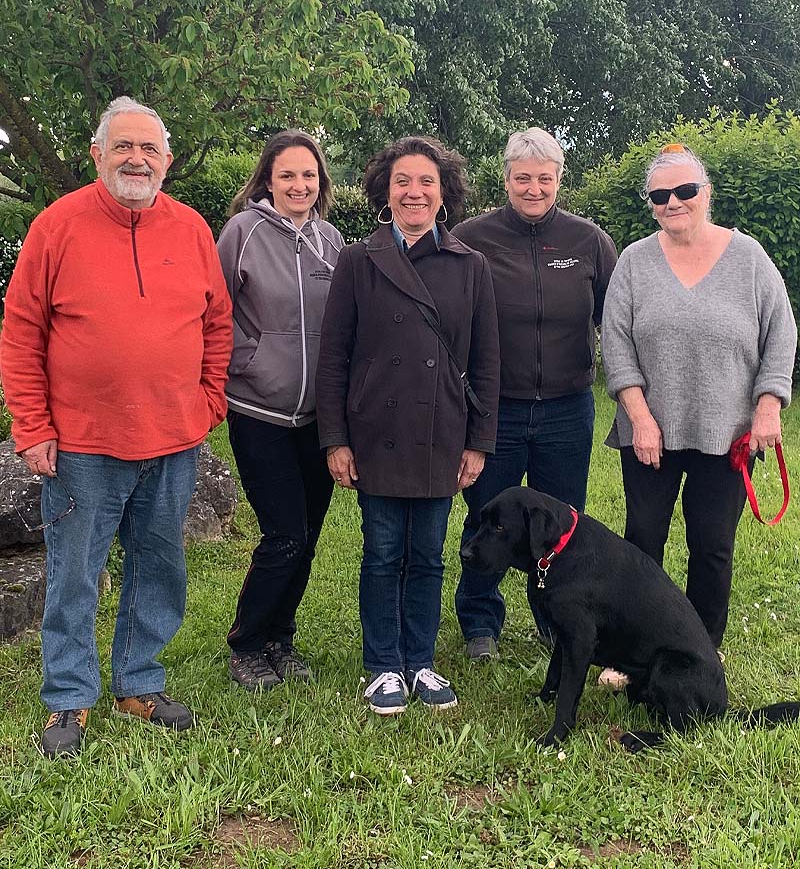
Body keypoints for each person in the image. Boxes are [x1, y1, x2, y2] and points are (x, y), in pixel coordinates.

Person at [0, 97, 233, 758]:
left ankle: (138, 684)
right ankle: (69, 699)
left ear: (166, 160)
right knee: (76, 574)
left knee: (160, 568)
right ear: (97, 154)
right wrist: (33, 424)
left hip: (174, 440)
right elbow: (20, 331)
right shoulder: (56, 227)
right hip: (82, 446)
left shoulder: (190, 230)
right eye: (123, 147)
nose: (137, 159)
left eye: (149, 149)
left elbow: (217, 324)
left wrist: (210, 399)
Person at [316, 136, 500, 715]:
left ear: (444, 193)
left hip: (442, 431)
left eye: (426, 181)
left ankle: (420, 660)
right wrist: (335, 439)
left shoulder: (471, 265)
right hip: (375, 433)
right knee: (381, 552)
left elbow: (488, 361)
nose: (414, 192)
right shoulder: (356, 260)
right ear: (385, 191)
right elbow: (334, 358)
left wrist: (478, 442)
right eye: (402, 181)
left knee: (429, 556)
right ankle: (381, 666)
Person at [601, 143, 796, 668]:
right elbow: (616, 344)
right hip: (650, 435)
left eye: (685, 191)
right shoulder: (634, 262)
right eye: (661, 195)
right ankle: (632, 648)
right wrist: (640, 419)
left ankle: (701, 649)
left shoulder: (750, 258)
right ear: (651, 203)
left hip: (726, 433)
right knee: (643, 543)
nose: (674, 202)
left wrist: (768, 407)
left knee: (711, 547)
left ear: (706, 193)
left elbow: (781, 334)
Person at [452, 128, 617, 661]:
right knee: (487, 517)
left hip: (568, 407)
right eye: (522, 178)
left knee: (561, 524)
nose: (533, 188)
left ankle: (555, 618)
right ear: (506, 180)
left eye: (544, 178)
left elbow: (618, 318)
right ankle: (480, 621)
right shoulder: (472, 237)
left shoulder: (588, 240)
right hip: (494, 408)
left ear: (559, 179)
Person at [216, 130, 343, 689]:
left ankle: (280, 638)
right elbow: (213, 313)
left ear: (321, 182)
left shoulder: (332, 241)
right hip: (258, 409)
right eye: (288, 174)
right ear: (269, 179)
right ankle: (246, 642)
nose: (299, 184)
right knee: (284, 532)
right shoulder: (242, 232)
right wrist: (237, 366)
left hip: (318, 418)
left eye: (309, 175)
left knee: (309, 534)